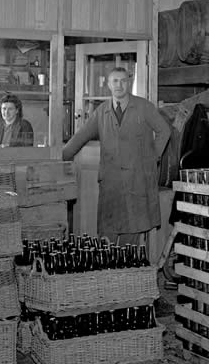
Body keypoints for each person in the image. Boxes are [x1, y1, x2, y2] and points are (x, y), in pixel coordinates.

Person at [62, 67, 171, 245]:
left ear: (128, 83)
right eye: (115, 81)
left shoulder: (144, 107)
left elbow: (164, 131)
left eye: (123, 81)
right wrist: (59, 158)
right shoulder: (102, 111)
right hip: (111, 181)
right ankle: (108, 272)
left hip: (136, 179)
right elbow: (80, 137)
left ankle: (127, 271)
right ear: (108, 85)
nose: (119, 85)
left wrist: (153, 157)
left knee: (132, 233)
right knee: (107, 233)